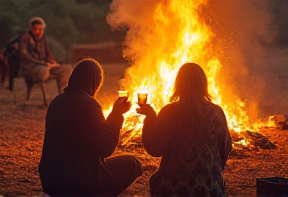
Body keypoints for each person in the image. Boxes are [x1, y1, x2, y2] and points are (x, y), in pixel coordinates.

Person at [39, 58, 142, 196]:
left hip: (51, 181)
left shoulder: (56, 102)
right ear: (94, 83)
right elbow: (106, 147)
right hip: (78, 183)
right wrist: (117, 114)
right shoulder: (88, 104)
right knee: (132, 164)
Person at [137, 62, 232, 197]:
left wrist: (150, 118)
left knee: (156, 180)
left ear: (179, 84)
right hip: (210, 190)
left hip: (173, 189)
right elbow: (225, 149)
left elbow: (154, 148)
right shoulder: (217, 112)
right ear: (203, 84)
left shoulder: (170, 112)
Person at [18, 17, 72, 93]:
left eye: (40, 29)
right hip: (31, 67)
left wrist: (52, 61)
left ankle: (63, 91)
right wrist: (44, 64)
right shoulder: (25, 38)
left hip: (46, 66)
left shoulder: (44, 39)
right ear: (31, 29)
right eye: (35, 29)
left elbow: (47, 53)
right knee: (44, 70)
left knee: (67, 68)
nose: (38, 31)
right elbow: (25, 56)